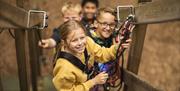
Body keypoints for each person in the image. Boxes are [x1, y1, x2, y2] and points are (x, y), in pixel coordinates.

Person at [52, 20, 131, 91]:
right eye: (74, 40)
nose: (80, 43)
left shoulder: (87, 43)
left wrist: (119, 47)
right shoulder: (64, 67)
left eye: (82, 38)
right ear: (64, 42)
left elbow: (102, 54)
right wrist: (93, 82)